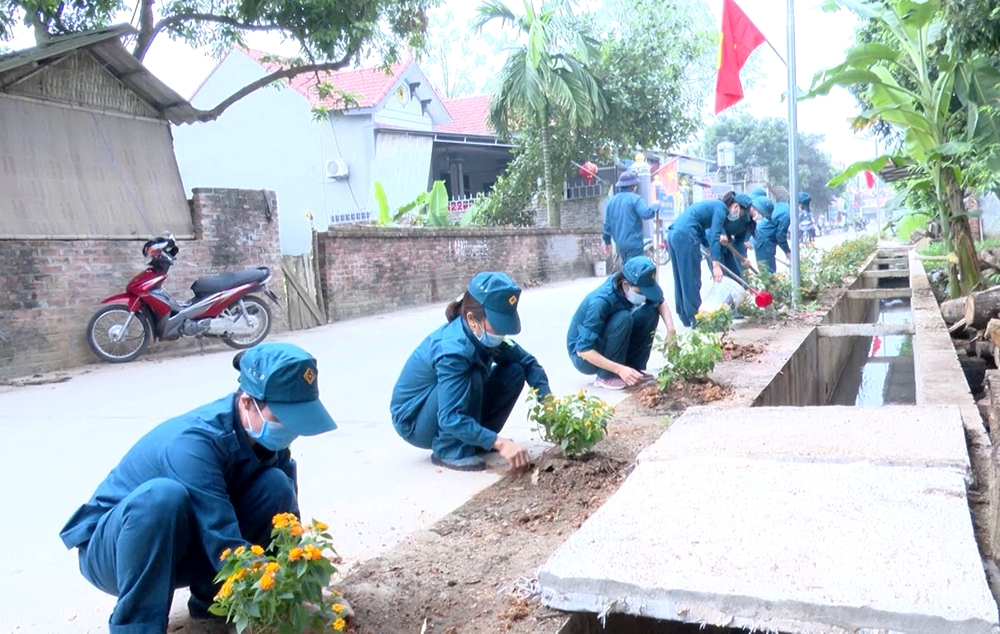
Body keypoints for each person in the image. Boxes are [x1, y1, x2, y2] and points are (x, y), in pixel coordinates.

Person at [59, 343, 338, 634]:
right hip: (116, 551)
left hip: (184, 541)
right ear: (246, 402)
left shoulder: (266, 439)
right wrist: (273, 586)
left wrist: (303, 587)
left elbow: (286, 521)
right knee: (162, 498)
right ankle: (137, 627)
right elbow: (221, 536)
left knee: (275, 485)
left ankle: (215, 607)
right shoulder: (195, 444)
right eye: (282, 419)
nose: (290, 429)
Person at [390, 272, 551, 472]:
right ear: (472, 319)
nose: (502, 334)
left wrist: (549, 406)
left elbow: (528, 363)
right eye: (497, 325)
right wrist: (500, 443)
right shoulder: (453, 351)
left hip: (445, 409)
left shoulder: (485, 335)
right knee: (472, 373)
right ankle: (448, 449)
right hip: (415, 420)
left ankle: (477, 441)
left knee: (515, 371)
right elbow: (449, 417)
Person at [567, 256, 676, 390]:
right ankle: (606, 376)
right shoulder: (600, 302)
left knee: (649, 312)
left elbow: (659, 301)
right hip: (585, 358)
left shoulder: (635, 282)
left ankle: (633, 369)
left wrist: (671, 331)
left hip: (606, 339)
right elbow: (583, 350)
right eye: (640, 292)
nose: (643, 295)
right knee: (623, 318)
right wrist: (619, 370)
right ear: (625, 284)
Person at [668, 192, 752, 328]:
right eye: (741, 213)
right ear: (736, 206)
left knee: (681, 277)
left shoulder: (713, 205)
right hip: (686, 236)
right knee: (691, 280)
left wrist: (706, 246)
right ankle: (697, 321)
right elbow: (715, 235)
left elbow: (700, 227)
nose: (739, 217)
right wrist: (716, 265)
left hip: (674, 234)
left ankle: (685, 316)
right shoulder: (721, 209)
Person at [603, 169, 662, 266]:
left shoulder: (612, 202)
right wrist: (655, 206)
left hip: (620, 245)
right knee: (635, 270)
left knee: (627, 269)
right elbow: (646, 214)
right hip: (634, 244)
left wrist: (607, 242)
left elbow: (607, 225)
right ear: (632, 186)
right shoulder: (635, 199)